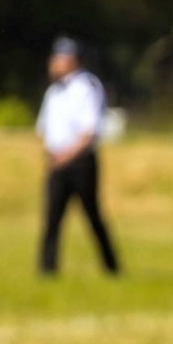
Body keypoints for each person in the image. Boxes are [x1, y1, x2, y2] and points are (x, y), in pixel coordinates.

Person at [36, 37, 120, 276]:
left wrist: (66, 156)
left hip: (80, 162)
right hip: (56, 161)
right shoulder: (54, 91)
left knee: (92, 215)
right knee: (52, 217)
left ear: (72, 60)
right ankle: (47, 270)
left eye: (59, 57)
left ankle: (111, 266)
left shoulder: (87, 87)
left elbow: (89, 131)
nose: (54, 62)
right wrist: (52, 155)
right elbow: (45, 127)